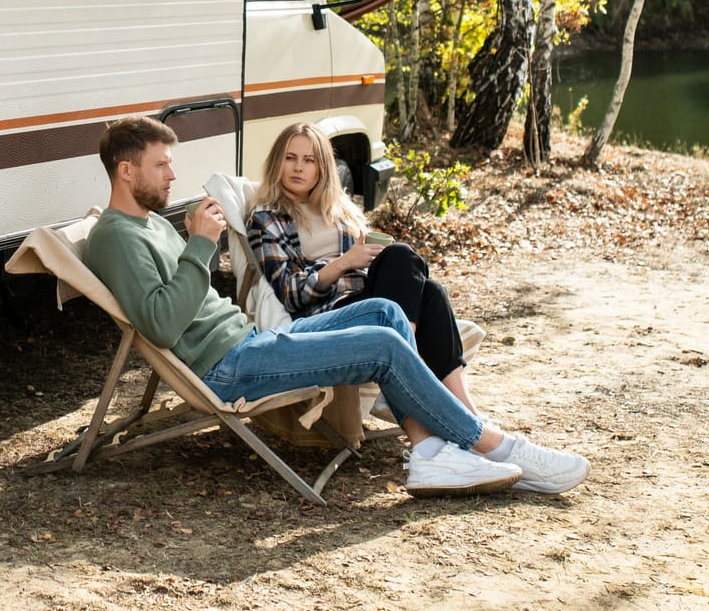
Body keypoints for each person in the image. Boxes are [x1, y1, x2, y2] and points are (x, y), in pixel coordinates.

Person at [82, 115, 588, 496]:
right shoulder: (116, 237)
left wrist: (195, 245)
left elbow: (182, 302)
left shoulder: (148, 225)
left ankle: (429, 449)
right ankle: (495, 445)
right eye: (161, 164)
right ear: (127, 171)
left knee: (389, 313)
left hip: (250, 341)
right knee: (386, 344)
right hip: (226, 367)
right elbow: (162, 325)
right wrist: (200, 246)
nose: (173, 175)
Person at [245, 123, 476, 414]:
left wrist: (370, 256)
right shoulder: (266, 218)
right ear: (277, 162)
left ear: (322, 168)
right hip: (331, 312)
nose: (298, 168)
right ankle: (408, 369)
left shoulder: (338, 208)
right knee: (411, 269)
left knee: (427, 286)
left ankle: (468, 411)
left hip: (366, 299)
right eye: (290, 158)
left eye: (309, 160)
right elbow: (291, 293)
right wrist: (344, 263)